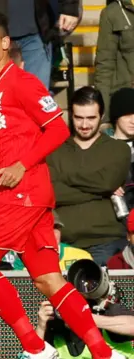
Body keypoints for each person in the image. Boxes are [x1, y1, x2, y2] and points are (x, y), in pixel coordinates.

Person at [0, 10, 123, 359]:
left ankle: (35, 348)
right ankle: (103, 353)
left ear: (5, 43)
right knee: (48, 280)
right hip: (27, 196)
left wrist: (22, 164)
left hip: (24, 190)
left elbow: (59, 128)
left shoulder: (22, 82)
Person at [47, 87, 129, 265]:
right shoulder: (54, 151)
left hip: (107, 241)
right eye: (79, 117)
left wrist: (66, 177)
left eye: (91, 118)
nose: (84, 125)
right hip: (64, 244)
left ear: (102, 115)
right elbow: (52, 192)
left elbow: (107, 182)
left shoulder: (118, 149)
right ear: (71, 115)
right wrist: (102, 191)